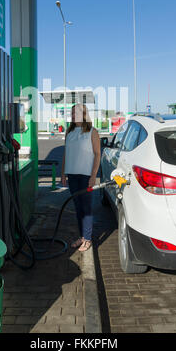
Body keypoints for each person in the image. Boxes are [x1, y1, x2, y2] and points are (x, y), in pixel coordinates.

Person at [61, 103, 101, 252]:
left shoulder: (92, 132)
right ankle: (82, 237)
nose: (72, 116)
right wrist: (63, 172)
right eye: (71, 113)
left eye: (76, 113)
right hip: (72, 175)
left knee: (87, 208)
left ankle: (88, 239)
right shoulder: (69, 132)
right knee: (78, 208)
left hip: (86, 176)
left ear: (84, 114)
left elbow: (97, 154)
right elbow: (66, 153)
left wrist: (93, 176)